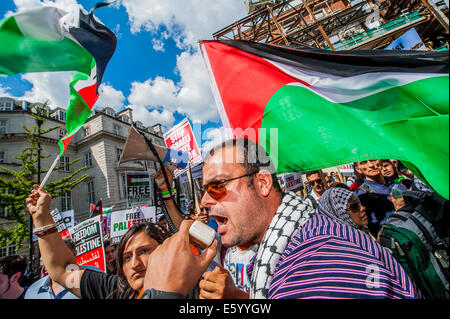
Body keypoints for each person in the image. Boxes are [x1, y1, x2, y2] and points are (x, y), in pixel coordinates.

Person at [141, 138, 420, 299]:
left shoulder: (316, 263)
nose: (204, 201)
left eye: (217, 186)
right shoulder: (296, 239)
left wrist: (164, 296)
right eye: (205, 189)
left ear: (262, 183)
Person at [26, 184, 171, 299]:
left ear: (165, 250)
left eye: (144, 251)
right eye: (127, 257)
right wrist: (41, 217)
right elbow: (62, 269)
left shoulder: (191, 287)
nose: (134, 264)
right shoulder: (114, 291)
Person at [355, 160, 395, 236]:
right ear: (358, 169)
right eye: (363, 162)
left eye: (373, 159)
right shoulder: (366, 191)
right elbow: (375, 226)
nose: (370, 165)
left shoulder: (391, 180)